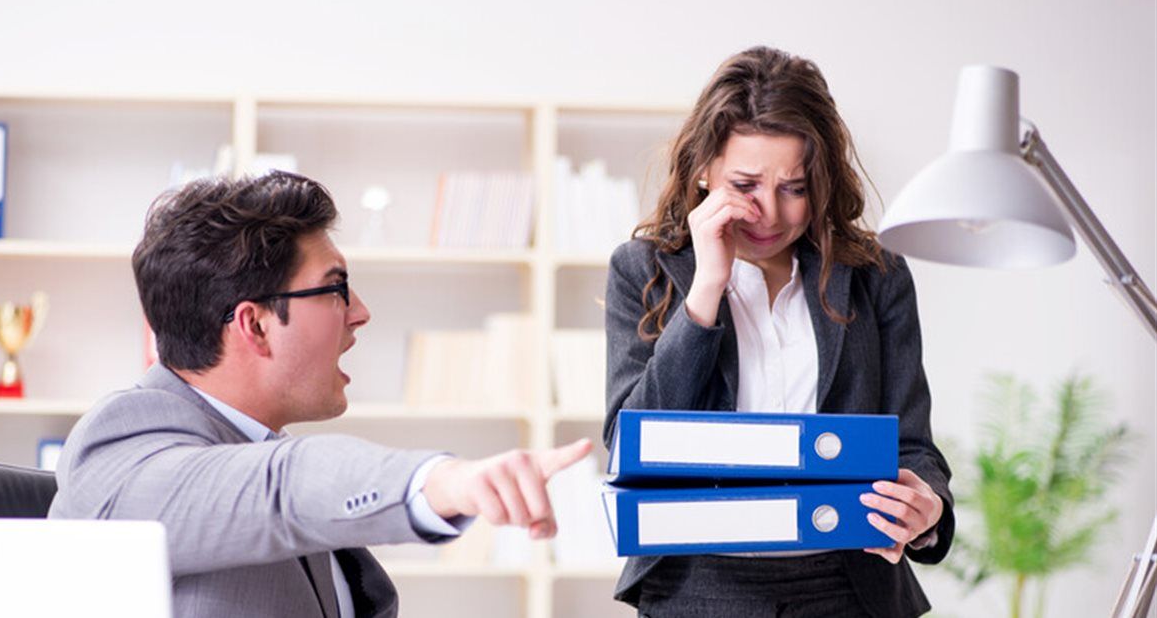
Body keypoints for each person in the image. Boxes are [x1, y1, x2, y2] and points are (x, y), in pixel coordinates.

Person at [48, 171, 592, 618]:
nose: (360, 312)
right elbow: (281, 485)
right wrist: (438, 481)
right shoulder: (120, 442)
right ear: (255, 325)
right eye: (336, 288)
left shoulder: (261, 448)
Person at [604, 46, 954, 617]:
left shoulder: (877, 276)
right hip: (700, 587)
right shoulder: (642, 270)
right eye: (745, 185)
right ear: (702, 170)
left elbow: (911, 445)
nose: (768, 212)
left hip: (849, 585)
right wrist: (707, 289)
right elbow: (632, 443)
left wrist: (927, 508)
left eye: (794, 188)